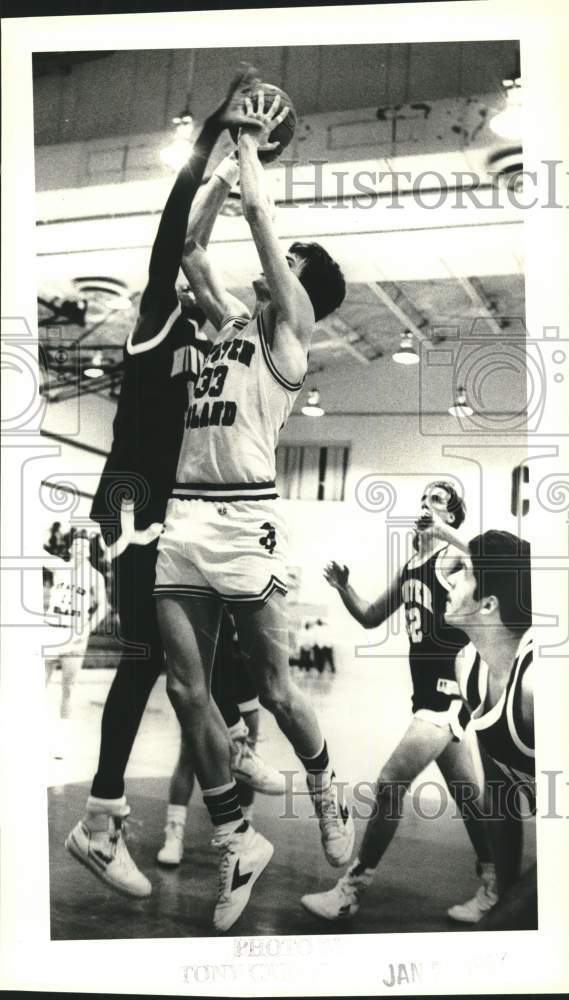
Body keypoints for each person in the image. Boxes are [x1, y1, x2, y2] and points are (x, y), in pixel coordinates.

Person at [65, 68, 282, 899]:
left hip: (171, 508)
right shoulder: (155, 328)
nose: (197, 299)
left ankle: (140, 806)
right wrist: (217, 147)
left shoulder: (208, 350)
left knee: (182, 648)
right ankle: (103, 820)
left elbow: (203, 265)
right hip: (131, 502)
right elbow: (174, 242)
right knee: (148, 656)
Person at [153, 87, 351, 931]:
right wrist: (222, 180)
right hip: (184, 513)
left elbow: (269, 243)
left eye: (291, 263)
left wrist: (249, 154)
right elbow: (186, 257)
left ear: (303, 284)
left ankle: (323, 779)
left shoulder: (292, 328)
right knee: (186, 693)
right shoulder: (232, 321)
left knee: (272, 688)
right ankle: (237, 838)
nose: (280, 266)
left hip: (245, 521)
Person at [301, 481, 496, 923]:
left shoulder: (453, 559)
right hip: (426, 697)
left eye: (437, 500)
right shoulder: (412, 563)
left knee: (390, 783)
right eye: (423, 499)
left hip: (447, 695)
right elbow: (371, 616)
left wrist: (445, 531)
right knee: (469, 797)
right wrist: (344, 589)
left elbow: (486, 560)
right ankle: (494, 882)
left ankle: (352, 888)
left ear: (452, 514)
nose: (425, 505)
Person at [443, 529, 535, 930]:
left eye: (463, 573)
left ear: (489, 604)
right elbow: (499, 790)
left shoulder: (539, 688)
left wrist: (504, 921)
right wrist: (503, 893)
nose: (449, 581)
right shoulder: (470, 666)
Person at [157, 609, 281, 866]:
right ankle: (173, 833)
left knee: (247, 756)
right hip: (208, 673)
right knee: (189, 752)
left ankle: (245, 828)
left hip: (242, 673)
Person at [44, 529, 108, 754]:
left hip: (75, 635)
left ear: (89, 552)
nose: (81, 550)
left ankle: (61, 742)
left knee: (68, 690)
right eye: (77, 546)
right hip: (51, 631)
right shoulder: (59, 567)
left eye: (85, 547)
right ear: (70, 549)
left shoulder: (94, 576)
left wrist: (87, 629)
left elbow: (103, 606)